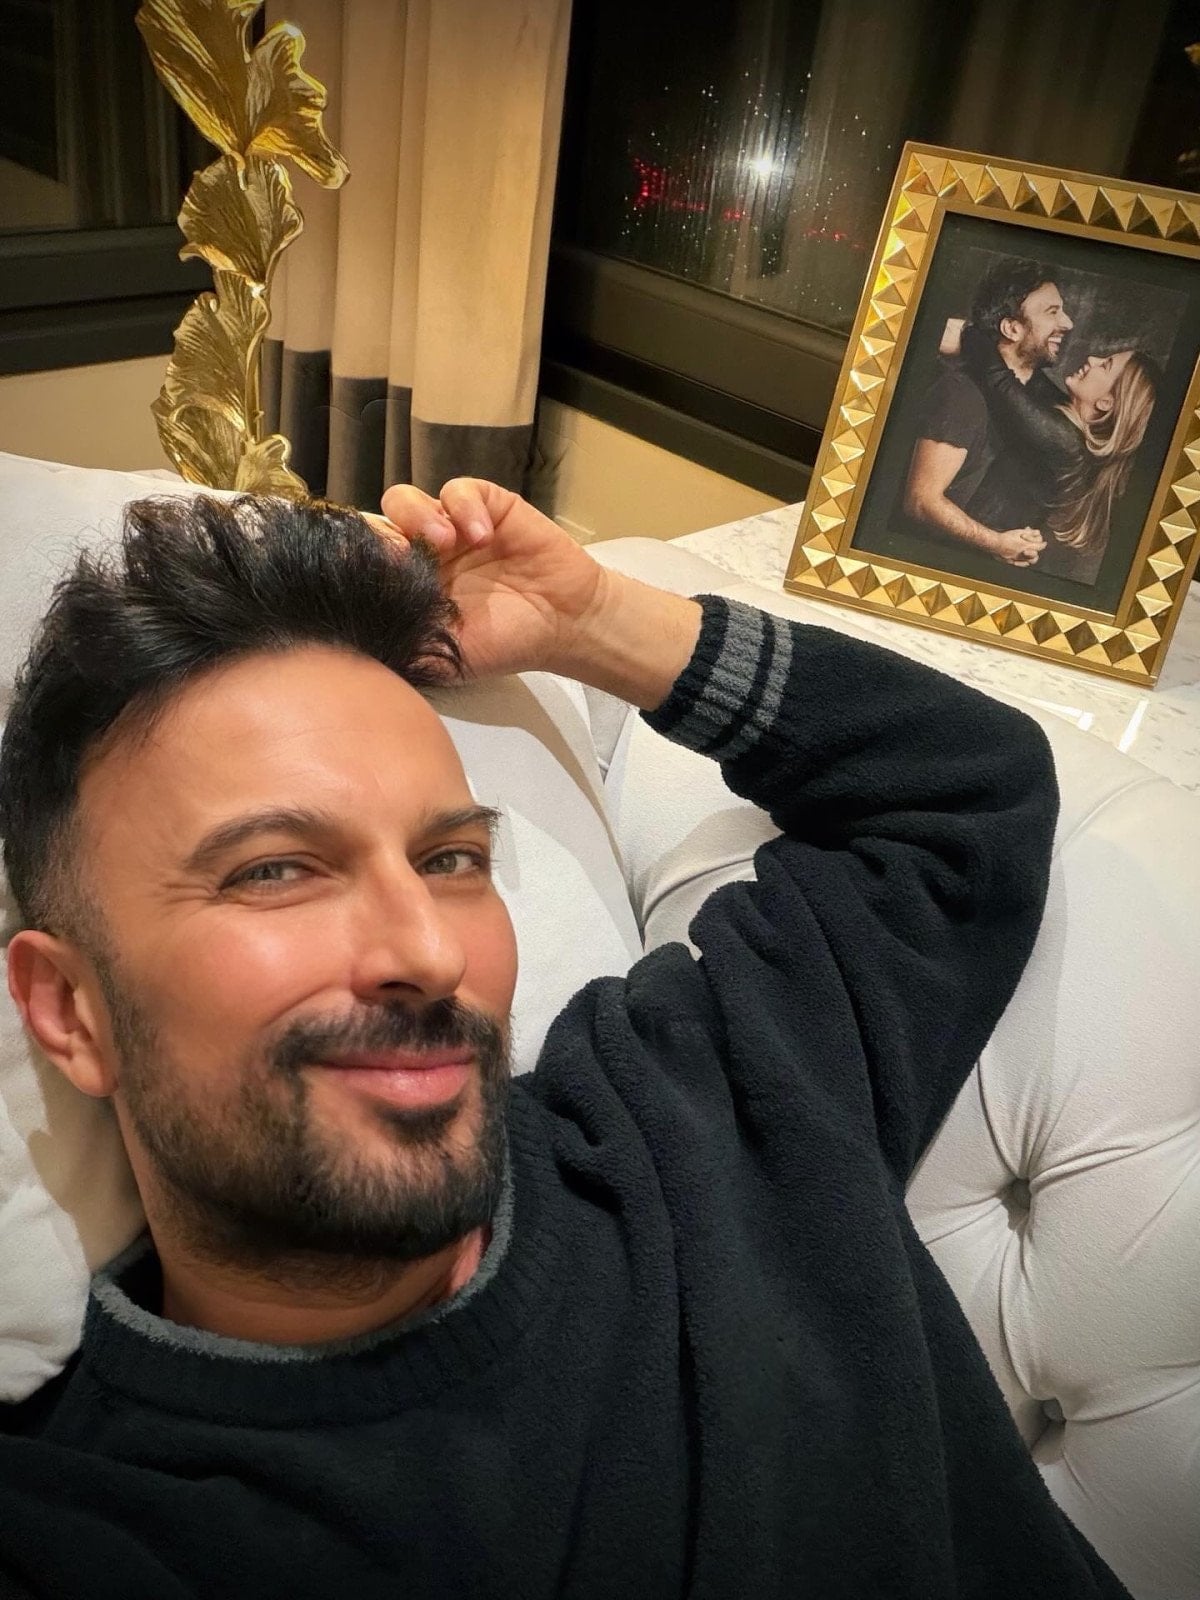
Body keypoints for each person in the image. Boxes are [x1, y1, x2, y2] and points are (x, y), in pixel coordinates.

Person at [0, 482, 1130, 1599]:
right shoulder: (81, 1526)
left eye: (451, 860)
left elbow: (960, 796)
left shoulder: (697, 1103)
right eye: (275, 870)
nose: (428, 951)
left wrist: (590, 622)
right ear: (67, 1009)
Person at [900, 256, 1074, 569]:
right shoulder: (961, 394)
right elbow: (921, 502)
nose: (1068, 323)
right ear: (1012, 328)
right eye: (1052, 312)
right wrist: (997, 543)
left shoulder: (1042, 402)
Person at [960, 319, 1161, 585]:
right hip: (978, 550)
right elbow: (1030, 376)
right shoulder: (1069, 426)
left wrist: (967, 331)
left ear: (1106, 402)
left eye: (1105, 365)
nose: (1092, 359)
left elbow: (997, 379)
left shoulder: (1064, 442)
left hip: (975, 559)